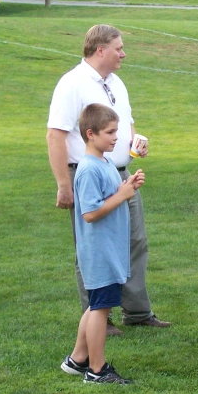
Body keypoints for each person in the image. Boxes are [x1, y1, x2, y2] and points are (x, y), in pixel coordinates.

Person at [46, 24, 170, 336]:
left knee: (135, 241)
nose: (123, 54)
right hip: (87, 173)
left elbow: (126, 123)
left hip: (121, 175)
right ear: (100, 49)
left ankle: (138, 312)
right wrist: (63, 184)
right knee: (92, 248)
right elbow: (55, 135)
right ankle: (99, 317)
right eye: (119, 48)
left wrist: (134, 144)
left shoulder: (115, 82)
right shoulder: (72, 84)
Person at [61, 104, 144, 384]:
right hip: (100, 252)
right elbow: (90, 213)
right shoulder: (87, 170)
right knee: (100, 308)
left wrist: (128, 185)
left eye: (116, 131)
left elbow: (113, 193)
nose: (115, 137)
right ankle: (97, 370)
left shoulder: (106, 163)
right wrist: (122, 195)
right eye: (109, 132)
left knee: (96, 305)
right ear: (90, 134)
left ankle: (78, 359)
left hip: (110, 249)